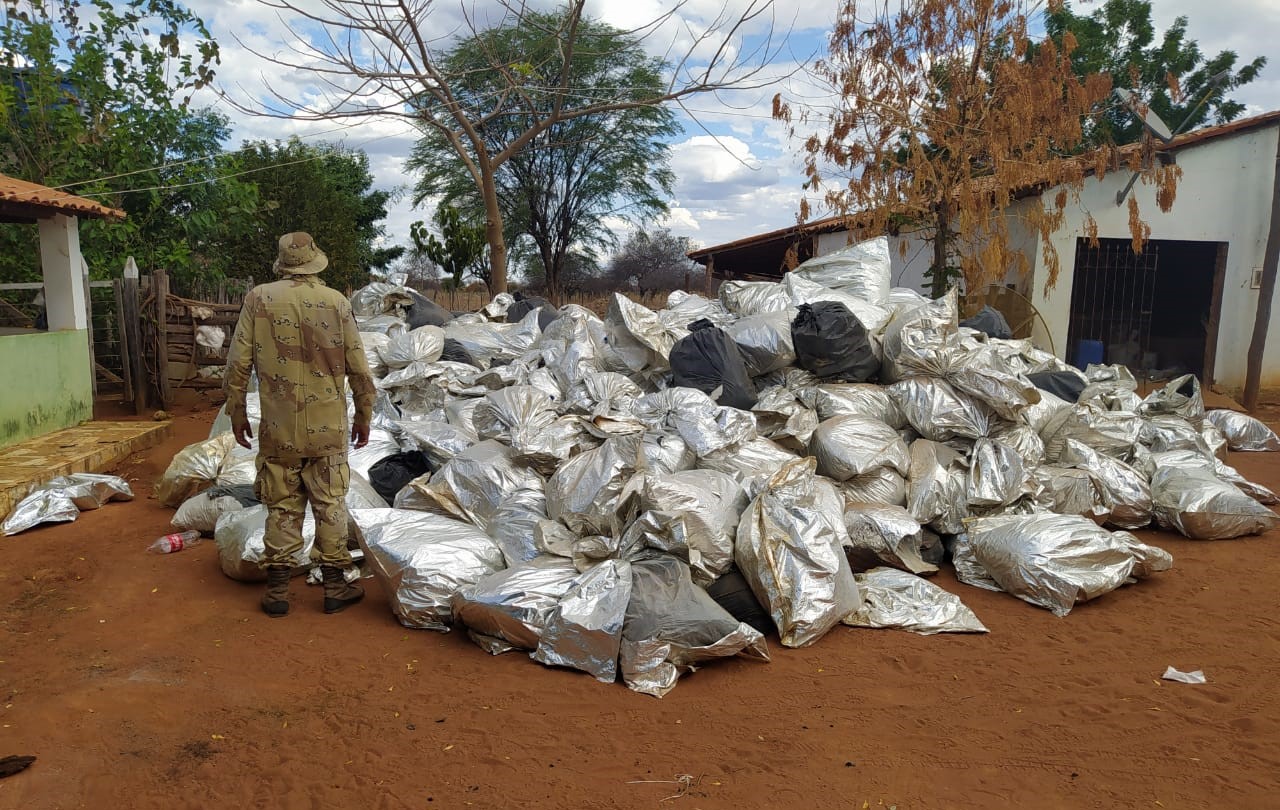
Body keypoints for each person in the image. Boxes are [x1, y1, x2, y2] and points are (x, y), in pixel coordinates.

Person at [223, 232, 376, 617]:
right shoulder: (336, 302)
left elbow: (238, 362)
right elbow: (359, 367)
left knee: (282, 506)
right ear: (313, 262)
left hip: (279, 427)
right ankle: (335, 587)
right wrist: (364, 415)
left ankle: (277, 592)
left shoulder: (259, 299)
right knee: (330, 505)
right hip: (328, 426)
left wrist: (237, 410)